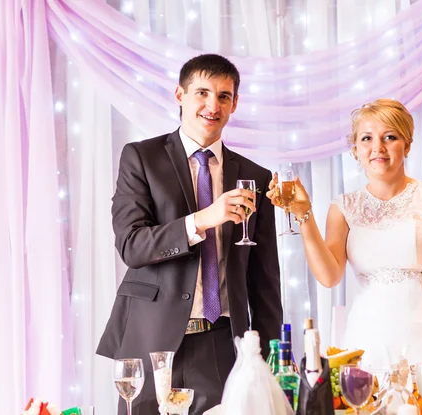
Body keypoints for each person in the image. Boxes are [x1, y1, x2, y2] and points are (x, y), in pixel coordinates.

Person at [97, 54, 283, 415]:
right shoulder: (141, 158)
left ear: (235, 104)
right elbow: (132, 246)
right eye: (202, 92)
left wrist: (271, 359)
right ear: (180, 95)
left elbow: (265, 280)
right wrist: (203, 219)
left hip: (221, 343)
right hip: (151, 342)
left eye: (224, 96)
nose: (213, 105)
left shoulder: (255, 177)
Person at [266, 99, 422, 409]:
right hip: (368, 339)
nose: (378, 147)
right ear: (356, 149)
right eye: (367, 138)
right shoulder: (343, 207)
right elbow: (329, 276)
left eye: (390, 136)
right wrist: (303, 214)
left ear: (407, 144)